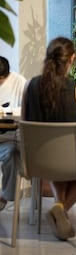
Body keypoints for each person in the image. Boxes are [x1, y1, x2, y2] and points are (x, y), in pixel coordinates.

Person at [22, 37, 76, 241]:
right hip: (69, 162)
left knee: (61, 166)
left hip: (36, 162)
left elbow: (24, 123)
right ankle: (60, 208)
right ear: (72, 58)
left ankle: (59, 207)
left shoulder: (30, 85)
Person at [0, 56, 26, 211]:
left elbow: (26, 108)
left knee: (11, 153)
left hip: (12, 133)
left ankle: (5, 196)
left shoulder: (19, 82)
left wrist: (5, 111)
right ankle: (6, 196)